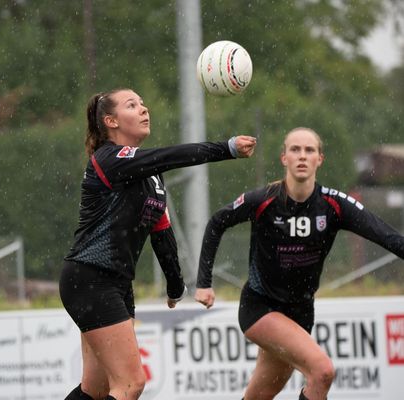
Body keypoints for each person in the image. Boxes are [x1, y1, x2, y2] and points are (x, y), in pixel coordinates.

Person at [59, 87, 257, 400]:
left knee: (95, 391)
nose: (143, 109)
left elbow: (161, 232)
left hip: (116, 284)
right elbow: (170, 156)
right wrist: (226, 148)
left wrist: (175, 284)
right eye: (132, 104)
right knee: (130, 384)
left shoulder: (151, 176)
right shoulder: (108, 159)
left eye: (142, 102)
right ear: (111, 121)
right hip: (90, 279)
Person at [194, 127, 404, 400]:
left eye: (309, 150)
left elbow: (388, 237)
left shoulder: (334, 205)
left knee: (258, 396)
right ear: (284, 158)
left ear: (320, 159)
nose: (302, 156)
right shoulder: (264, 199)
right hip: (260, 307)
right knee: (322, 371)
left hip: (301, 312)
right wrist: (203, 283)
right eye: (295, 150)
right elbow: (216, 222)